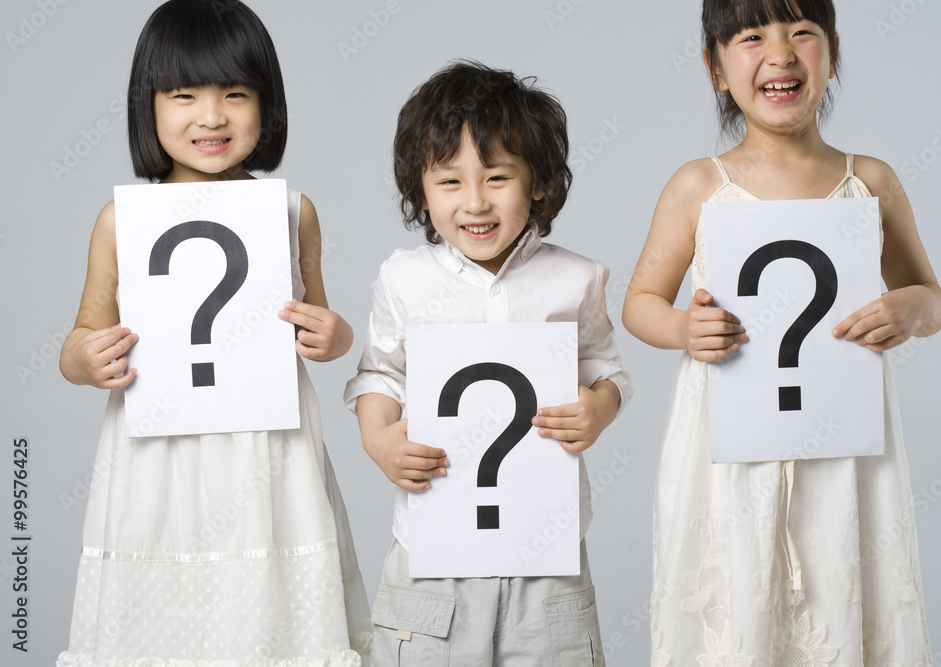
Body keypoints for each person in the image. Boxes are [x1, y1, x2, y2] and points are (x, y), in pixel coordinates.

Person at [623, 0, 941, 663]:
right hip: (731, 441)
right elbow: (640, 303)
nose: (780, 53)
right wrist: (686, 326)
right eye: (751, 37)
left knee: (842, 582)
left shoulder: (871, 182)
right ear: (716, 68)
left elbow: (934, 296)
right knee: (737, 598)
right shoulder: (697, 186)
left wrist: (910, 309)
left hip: (845, 440)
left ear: (831, 51)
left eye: (801, 32)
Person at [57, 1, 370, 664]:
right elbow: (79, 337)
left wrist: (332, 334)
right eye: (184, 95)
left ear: (267, 104)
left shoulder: (292, 211)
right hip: (159, 449)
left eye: (235, 93)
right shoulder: (122, 220)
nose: (212, 116)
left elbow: (324, 321)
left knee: (273, 604)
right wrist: (89, 358)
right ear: (150, 107)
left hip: (267, 446)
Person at [344, 61, 633, 665]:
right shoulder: (404, 279)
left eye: (497, 177)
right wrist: (378, 437)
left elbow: (607, 367)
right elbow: (379, 372)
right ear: (419, 190)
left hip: (545, 553)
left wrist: (599, 409)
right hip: (431, 557)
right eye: (449, 182)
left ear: (538, 183)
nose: (475, 202)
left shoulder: (576, 279)